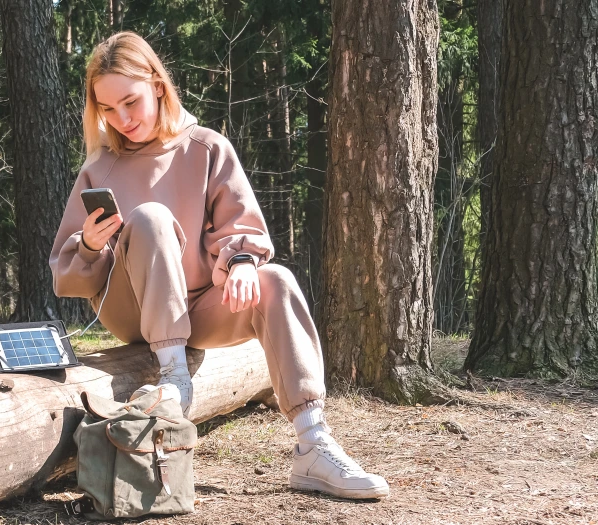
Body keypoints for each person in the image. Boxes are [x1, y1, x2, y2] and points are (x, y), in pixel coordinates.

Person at [49, 32, 389, 500]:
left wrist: (244, 262)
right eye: (107, 109)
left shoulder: (207, 148)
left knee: (277, 281)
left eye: (130, 101)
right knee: (150, 218)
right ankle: (173, 376)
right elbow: (67, 277)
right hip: (132, 309)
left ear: (158, 86)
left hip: (200, 308)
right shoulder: (99, 166)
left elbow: (240, 230)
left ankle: (313, 443)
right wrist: (89, 244)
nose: (122, 119)